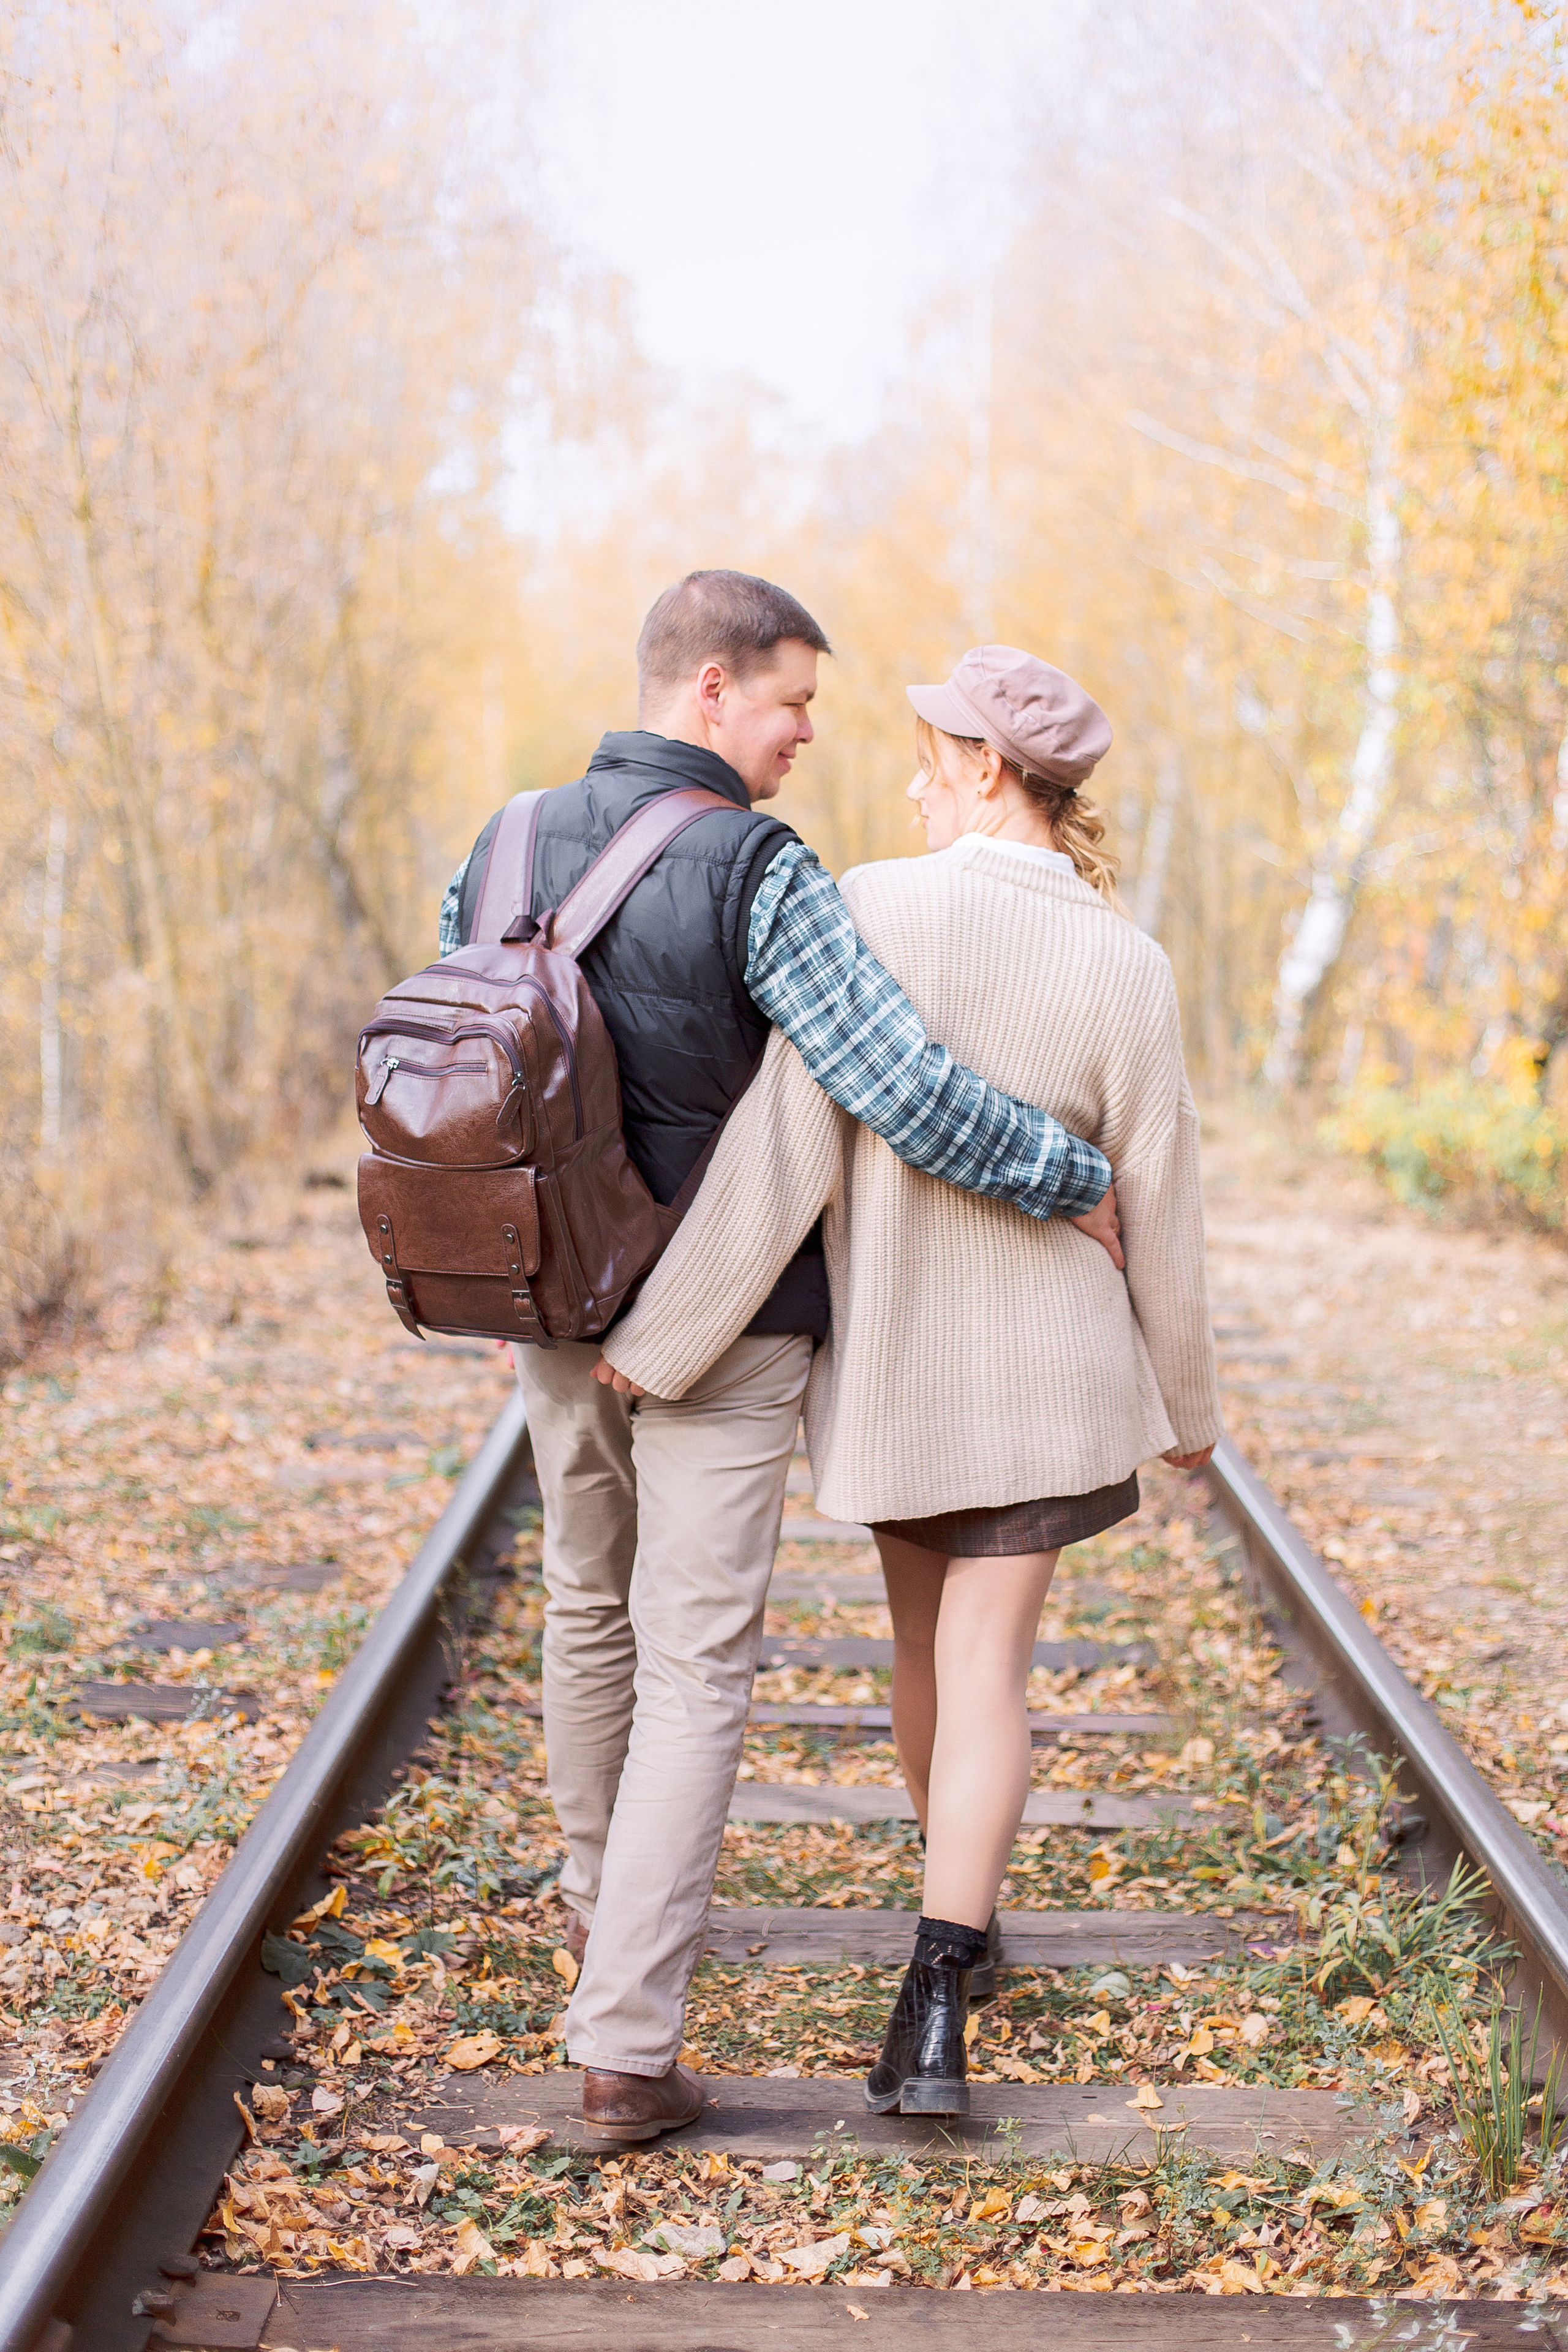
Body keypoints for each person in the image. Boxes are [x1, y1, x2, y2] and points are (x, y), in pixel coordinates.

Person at [439, 579, 1122, 2144]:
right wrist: (1067, 1175)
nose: (810, 731)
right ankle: (623, 2041)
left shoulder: (506, 837)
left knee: (581, 1611)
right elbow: (894, 1084)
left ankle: (588, 1906)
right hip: (721, 1326)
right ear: (707, 691)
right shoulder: (758, 866)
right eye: (792, 701)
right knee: (693, 1667)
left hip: (554, 1309)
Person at [600, 642, 1223, 2117]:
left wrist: (661, 1343)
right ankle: (939, 1986)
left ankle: (958, 1919)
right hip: (1056, 1377)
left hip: (900, 1376)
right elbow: (1164, 1200)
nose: (907, 786)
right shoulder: (1126, 963)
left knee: (927, 1654)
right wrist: (1187, 1407)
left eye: (930, 762)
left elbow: (777, 1156)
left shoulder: (868, 910)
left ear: (991, 773)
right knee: (996, 1669)